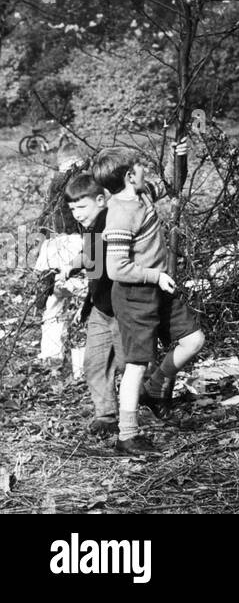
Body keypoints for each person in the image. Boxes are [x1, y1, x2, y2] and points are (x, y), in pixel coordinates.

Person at [94, 142, 203, 456]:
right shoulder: (118, 215)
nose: (146, 170)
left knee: (194, 340)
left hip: (158, 288)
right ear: (130, 176)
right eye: (141, 167)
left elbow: (171, 183)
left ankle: (154, 391)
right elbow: (116, 268)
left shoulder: (141, 195)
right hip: (134, 296)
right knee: (136, 365)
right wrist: (155, 275)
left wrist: (178, 154)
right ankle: (127, 436)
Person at [65, 173, 119, 436]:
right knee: (95, 362)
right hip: (101, 306)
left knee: (129, 362)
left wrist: (78, 262)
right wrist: (85, 305)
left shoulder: (111, 222)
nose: (76, 214)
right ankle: (106, 415)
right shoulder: (92, 226)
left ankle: (153, 394)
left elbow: (95, 258)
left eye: (81, 207)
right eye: (72, 209)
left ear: (101, 200)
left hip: (122, 307)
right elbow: (94, 265)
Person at [31, 144, 89, 368]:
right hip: (77, 246)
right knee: (84, 303)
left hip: (52, 248)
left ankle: (51, 354)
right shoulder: (78, 181)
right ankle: (81, 363)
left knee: (53, 305)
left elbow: (43, 220)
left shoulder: (54, 185)